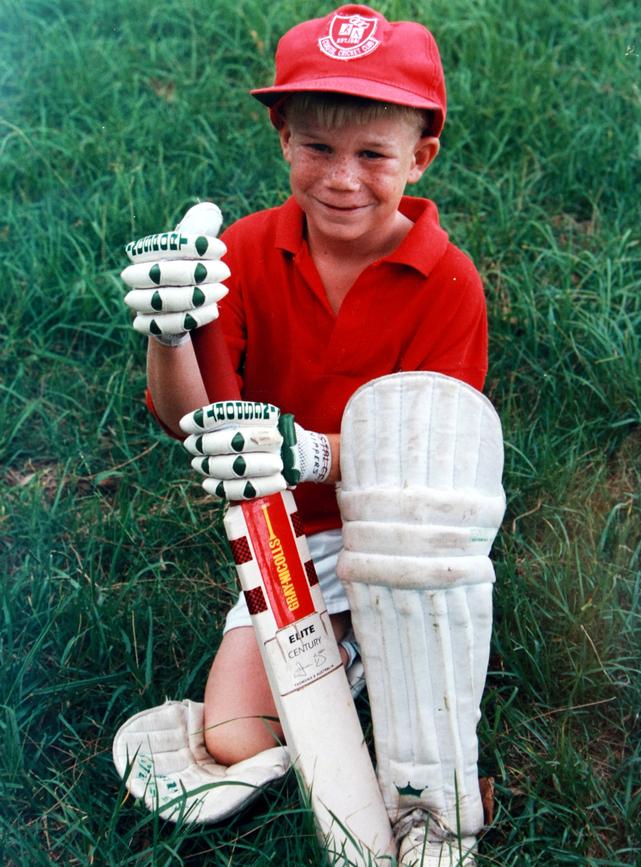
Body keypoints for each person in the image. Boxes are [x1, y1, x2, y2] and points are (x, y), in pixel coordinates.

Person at [119, 6, 501, 865]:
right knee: (235, 737)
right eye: (319, 148)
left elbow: (431, 458)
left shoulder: (445, 280)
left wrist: (314, 451)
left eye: (372, 153)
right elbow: (191, 419)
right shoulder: (248, 251)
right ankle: (352, 662)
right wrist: (171, 333)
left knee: (429, 763)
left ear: (420, 157)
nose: (342, 178)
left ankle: (428, 754)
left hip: (404, 537)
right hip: (285, 536)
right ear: (282, 136)